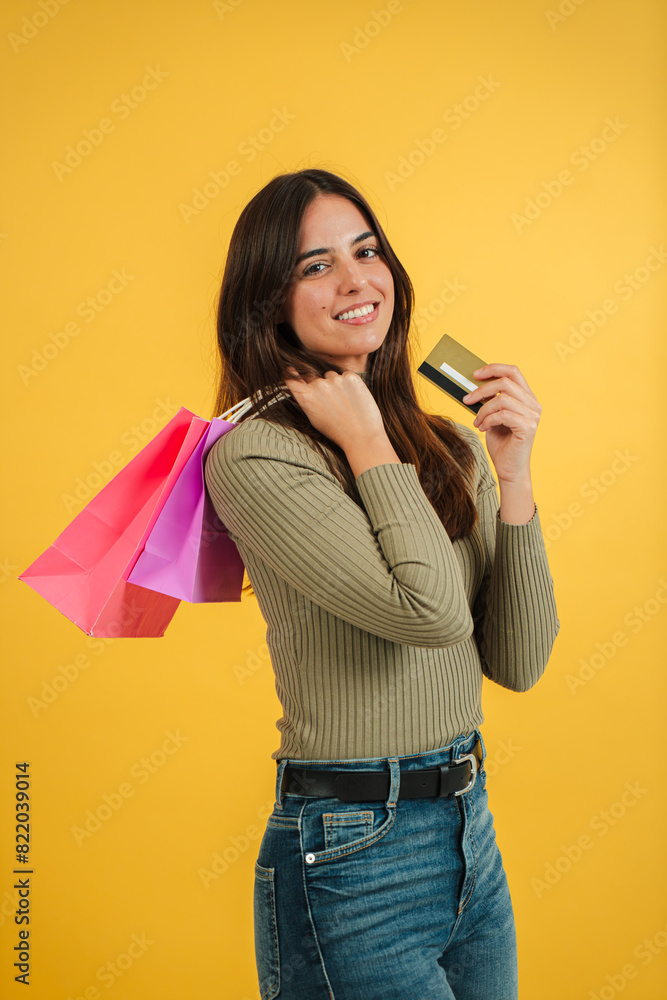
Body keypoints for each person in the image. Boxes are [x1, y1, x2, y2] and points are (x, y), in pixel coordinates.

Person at [204, 168, 559, 1000]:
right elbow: (429, 615)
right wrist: (367, 442)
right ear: (269, 300)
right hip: (351, 852)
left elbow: (518, 659)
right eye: (314, 265)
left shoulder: (444, 444)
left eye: (366, 252)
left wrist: (511, 474)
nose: (357, 280)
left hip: (467, 829)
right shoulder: (255, 454)